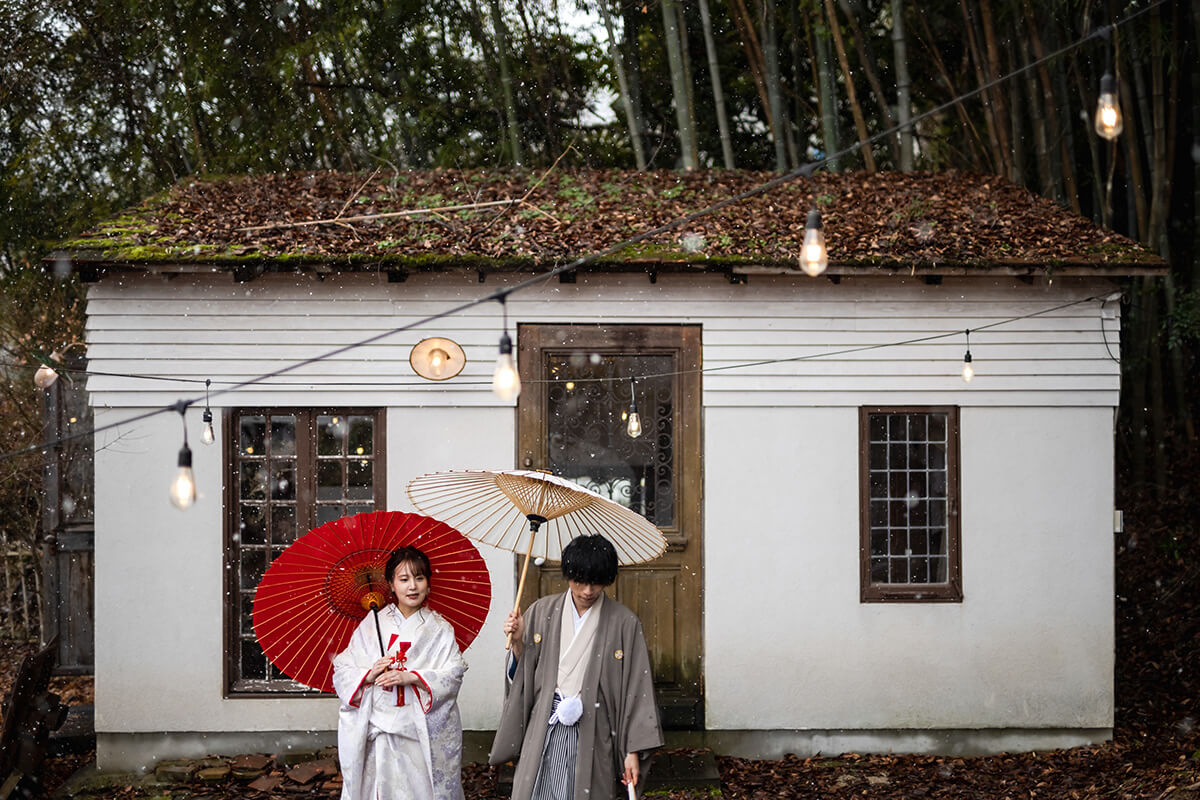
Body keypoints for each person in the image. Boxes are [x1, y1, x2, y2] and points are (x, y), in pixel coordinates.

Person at [490, 534, 663, 800]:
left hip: (595, 728)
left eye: (596, 582)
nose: (587, 591)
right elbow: (523, 676)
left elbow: (635, 691)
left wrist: (632, 751)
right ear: (567, 573)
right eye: (579, 580)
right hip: (545, 725)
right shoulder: (541, 611)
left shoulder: (624, 623)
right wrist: (517, 644)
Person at [332, 546, 467, 800]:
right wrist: (368, 675)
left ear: (428, 583)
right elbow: (343, 668)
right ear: (391, 585)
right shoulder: (373, 624)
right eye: (403, 579)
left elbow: (453, 672)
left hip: (418, 732)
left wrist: (413, 676)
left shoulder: (439, 629)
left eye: (419, 578)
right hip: (379, 729)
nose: (412, 587)